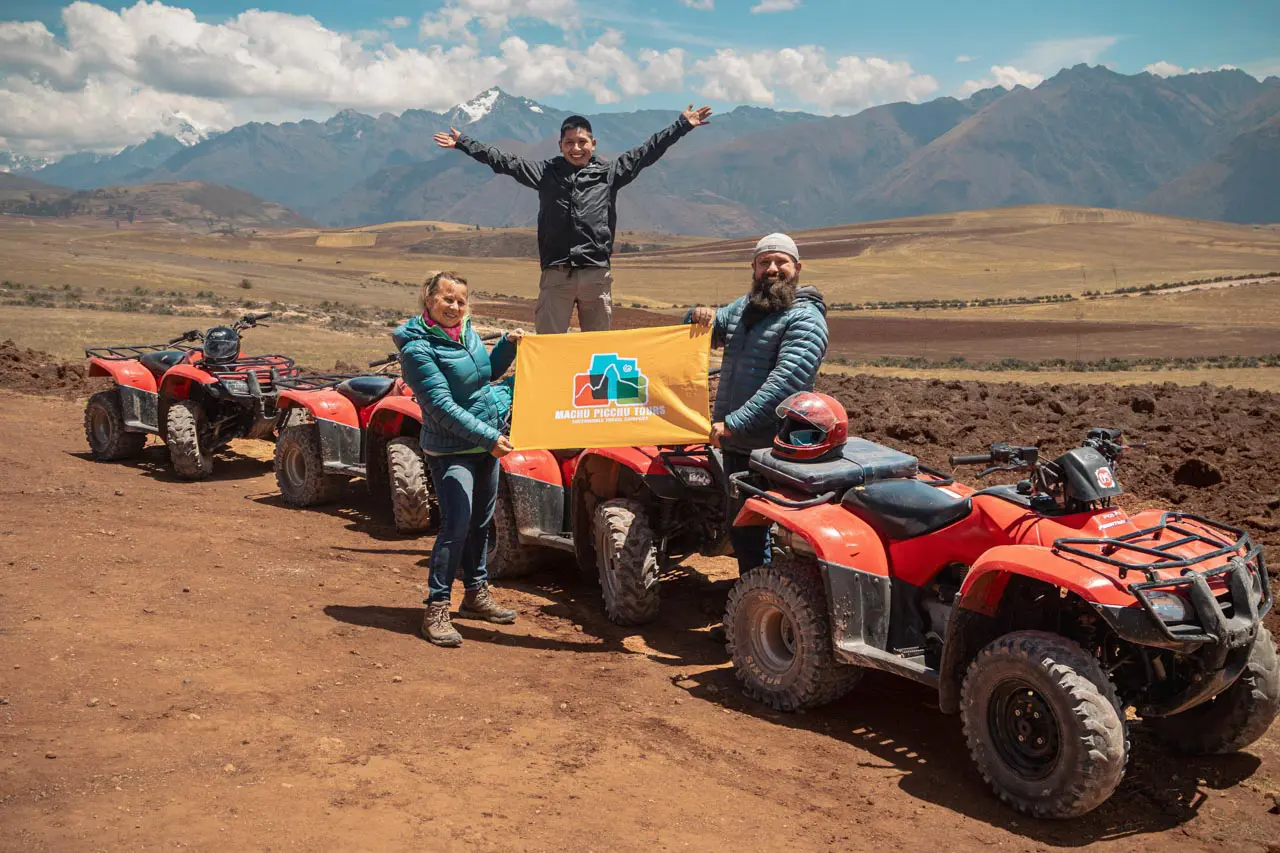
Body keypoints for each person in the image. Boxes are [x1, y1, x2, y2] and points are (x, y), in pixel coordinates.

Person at [434, 105, 713, 334]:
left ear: (593, 143)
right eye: (569, 143)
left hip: (595, 274)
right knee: (549, 346)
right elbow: (504, 161)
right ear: (560, 145)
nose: (576, 148)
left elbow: (647, 151)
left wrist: (682, 125)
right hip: (557, 275)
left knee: (597, 349)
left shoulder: (610, 173)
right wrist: (464, 143)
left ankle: (593, 400)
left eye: (582, 142)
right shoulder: (546, 173)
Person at [394, 271, 525, 647]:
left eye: (461, 300)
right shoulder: (417, 348)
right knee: (457, 524)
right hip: (451, 448)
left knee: (481, 522)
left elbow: (485, 376)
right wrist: (490, 437)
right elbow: (441, 406)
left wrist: (507, 347)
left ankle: (474, 594)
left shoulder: (466, 333)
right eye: (447, 298)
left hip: (485, 445)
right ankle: (436, 607)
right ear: (428, 298)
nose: (454, 306)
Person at [688, 232, 829, 575]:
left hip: (779, 447)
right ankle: (753, 600)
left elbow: (786, 383)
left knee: (777, 530)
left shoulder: (805, 318)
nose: (772, 269)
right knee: (745, 529)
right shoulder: (745, 308)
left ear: (797, 267)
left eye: (781, 262)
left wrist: (734, 422)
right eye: (765, 262)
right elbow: (704, 333)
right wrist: (696, 315)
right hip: (739, 444)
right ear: (753, 267)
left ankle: (771, 602)